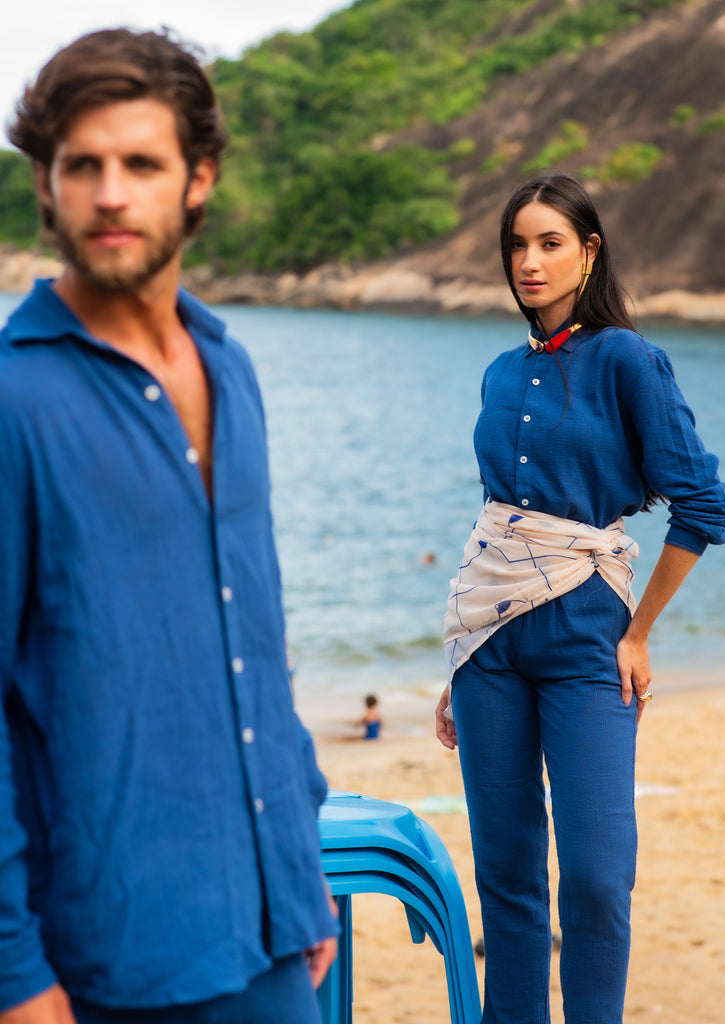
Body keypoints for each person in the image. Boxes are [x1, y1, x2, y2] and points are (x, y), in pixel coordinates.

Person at [0, 29, 337, 1024]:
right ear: (48, 188)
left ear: (198, 181)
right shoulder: (14, 403)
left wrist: (302, 867)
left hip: (274, 932)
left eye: (140, 164)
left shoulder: (231, 366)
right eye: (82, 166)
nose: (110, 194)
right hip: (108, 964)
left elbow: (253, 643)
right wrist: (15, 976)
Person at [435, 173, 725, 1024]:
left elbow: (702, 503)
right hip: (488, 640)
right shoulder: (499, 371)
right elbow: (495, 521)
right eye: (516, 246)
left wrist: (637, 635)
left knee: (599, 877)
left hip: (588, 639)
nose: (528, 262)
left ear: (588, 251)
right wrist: (455, 651)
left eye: (549, 243)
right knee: (507, 875)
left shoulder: (627, 359)